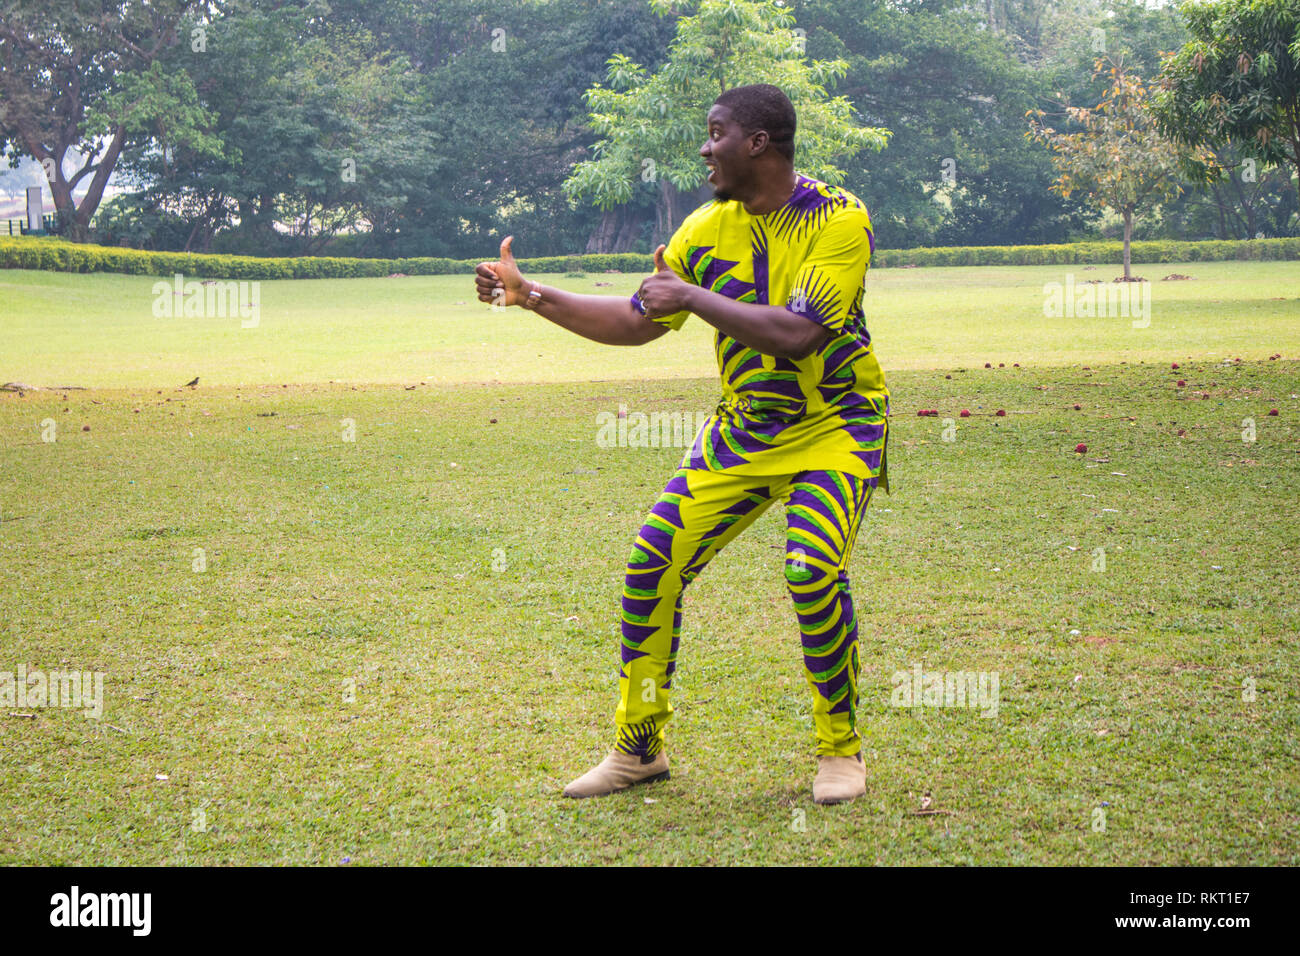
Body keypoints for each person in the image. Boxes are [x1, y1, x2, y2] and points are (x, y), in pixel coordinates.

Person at [474, 83, 889, 804]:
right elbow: (638, 321)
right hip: (745, 429)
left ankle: (840, 752)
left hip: (837, 424)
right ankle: (639, 751)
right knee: (651, 565)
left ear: (757, 142)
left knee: (811, 567)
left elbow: (800, 336)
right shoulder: (703, 228)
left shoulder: (838, 218)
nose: (704, 147)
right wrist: (530, 294)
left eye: (716, 132)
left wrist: (694, 298)